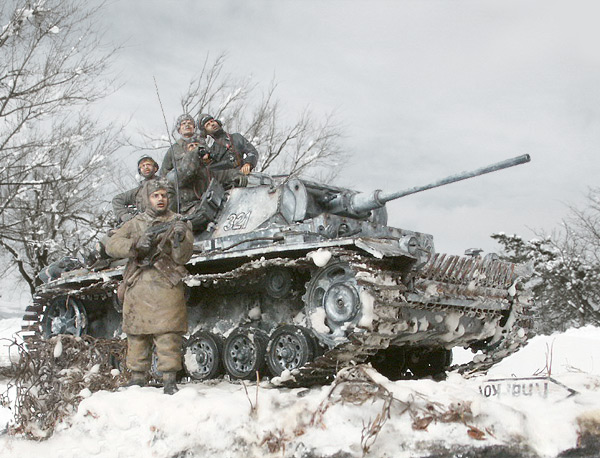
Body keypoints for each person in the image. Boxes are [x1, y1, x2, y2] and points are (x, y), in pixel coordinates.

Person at [106, 178, 194, 395]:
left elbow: (183, 257)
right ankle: (137, 377)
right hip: (138, 284)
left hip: (166, 283)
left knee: (168, 334)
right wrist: (135, 245)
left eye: (164, 195)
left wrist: (180, 238)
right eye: (156, 196)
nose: (161, 199)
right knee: (136, 334)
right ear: (148, 199)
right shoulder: (135, 223)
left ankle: (169, 380)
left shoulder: (179, 222)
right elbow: (111, 245)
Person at [112, 155, 159, 224]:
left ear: (155, 168)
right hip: (143, 222)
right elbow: (117, 199)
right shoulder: (137, 191)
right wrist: (123, 215)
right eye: (142, 166)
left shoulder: (165, 184)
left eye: (148, 164)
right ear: (140, 171)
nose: (146, 167)